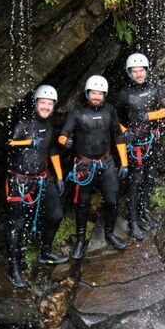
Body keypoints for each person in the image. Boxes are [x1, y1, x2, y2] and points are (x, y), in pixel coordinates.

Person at [58, 75, 129, 259]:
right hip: (85, 164)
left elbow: (119, 136)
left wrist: (124, 163)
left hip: (107, 162)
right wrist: (65, 141)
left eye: (100, 94)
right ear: (88, 93)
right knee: (83, 202)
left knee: (112, 199)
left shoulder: (110, 111)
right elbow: (63, 133)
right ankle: (81, 240)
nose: (96, 96)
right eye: (93, 93)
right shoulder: (77, 113)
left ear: (104, 95)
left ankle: (110, 233)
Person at [5, 84, 68, 288]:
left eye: (50, 104)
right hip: (20, 181)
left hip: (42, 178)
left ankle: (45, 252)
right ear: (36, 103)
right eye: (43, 103)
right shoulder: (23, 123)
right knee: (17, 224)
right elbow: (9, 143)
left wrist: (59, 176)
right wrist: (28, 142)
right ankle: (13, 269)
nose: (46, 107)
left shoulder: (49, 126)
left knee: (56, 214)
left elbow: (51, 151)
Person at [114, 53, 165, 240]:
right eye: (135, 71)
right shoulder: (124, 94)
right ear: (129, 73)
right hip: (135, 144)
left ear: (146, 71)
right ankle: (133, 221)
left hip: (152, 139)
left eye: (141, 71)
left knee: (150, 176)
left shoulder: (156, 86)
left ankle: (144, 210)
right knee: (135, 180)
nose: (138, 74)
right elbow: (115, 118)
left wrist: (148, 116)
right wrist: (125, 132)